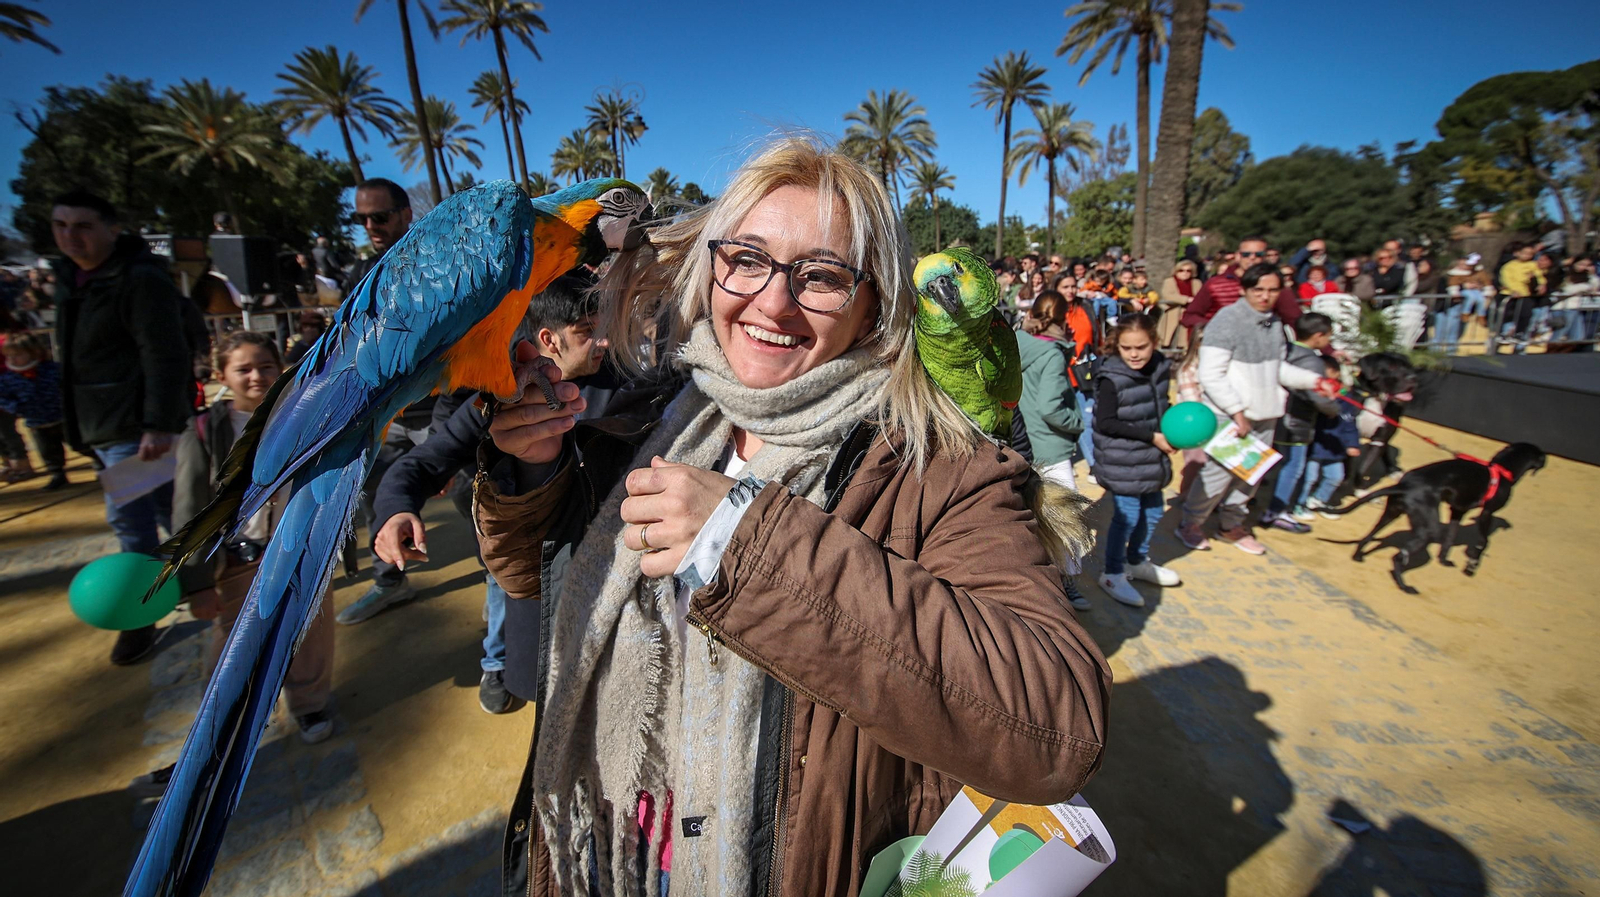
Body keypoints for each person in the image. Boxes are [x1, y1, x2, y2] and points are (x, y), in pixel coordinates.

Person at [473, 138, 1109, 896]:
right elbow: (528, 580)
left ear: (873, 303)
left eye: (823, 276)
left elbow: (1058, 724)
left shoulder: (942, 467)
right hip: (623, 856)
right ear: (711, 265)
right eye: (746, 258)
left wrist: (744, 537)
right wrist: (531, 470)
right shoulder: (650, 414)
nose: (773, 302)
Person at [371, 275, 611, 714]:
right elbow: (421, 463)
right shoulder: (501, 399)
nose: (605, 341)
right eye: (588, 330)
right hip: (540, 612)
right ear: (548, 339)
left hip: (611, 608)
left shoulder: (630, 388)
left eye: (603, 324)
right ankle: (497, 666)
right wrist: (394, 510)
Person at [52, 189, 193, 665]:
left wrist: (157, 422)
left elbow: (164, 352)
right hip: (98, 425)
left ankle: (140, 617)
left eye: (83, 225)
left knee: (133, 525)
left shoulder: (138, 280)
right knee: (172, 512)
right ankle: (211, 577)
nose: (71, 236)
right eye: (61, 225)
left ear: (112, 229)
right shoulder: (70, 280)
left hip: (134, 429)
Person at [175, 330, 337, 742]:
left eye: (266, 366)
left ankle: (310, 704)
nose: (256, 376)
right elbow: (189, 504)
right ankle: (221, 722)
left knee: (309, 633)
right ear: (221, 375)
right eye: (243, 368)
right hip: (237, 557)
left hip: (301, 548)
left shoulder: (305, 413)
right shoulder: (203, 432)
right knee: (233, 645)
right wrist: (196, 583)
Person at [1176, 264, 1333, 555]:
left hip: (1265, 414)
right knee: (1216, 476)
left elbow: (1278, 369)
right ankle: (1190, 523)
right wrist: (1237, 411)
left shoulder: (1275, 323)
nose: (1265, 296)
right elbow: (1210, 374)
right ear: (1244, 290)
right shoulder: (1226, 321)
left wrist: (1315, 381)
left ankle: (1231, 525)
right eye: (1258, 289)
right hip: (1231, 416)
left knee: (1251, 475)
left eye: (1273, 290)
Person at [338, 177, 438, 624]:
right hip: (384, 414)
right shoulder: (359, 275)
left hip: (442, 411)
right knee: (382, 495)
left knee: (480, 499)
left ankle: (504, 599)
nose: (370, 226)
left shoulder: (439, 263)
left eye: (379, 216)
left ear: (404, 215)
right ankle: (389, 582)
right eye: (361, 219)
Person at [1090, 314, 1180, 608]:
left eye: (1141, 347)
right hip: (1123, 458)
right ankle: (1113, 572)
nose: (1134, 354)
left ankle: (1137, 561)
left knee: (1153, 512)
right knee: (1126, 517)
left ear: (1155, 342)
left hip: (1151, 455)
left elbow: (1161, 404)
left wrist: (1173, 432)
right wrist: (1152, 436)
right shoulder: (1111, 378)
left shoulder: (1161, 367)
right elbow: (1105, 423)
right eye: (1127, 348)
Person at [1014, 290, 1091, 611]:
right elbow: (1051, 407)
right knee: (1066, 517)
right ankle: (1067, 580)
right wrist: (1078, 421)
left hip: (1020, 439)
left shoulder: (1016, 341)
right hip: (1050, 444)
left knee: (1031, 511)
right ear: (1063, 320)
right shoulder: (1053, 354)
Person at [1259, 313, 1338, 533]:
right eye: (1328, 336)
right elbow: (1317, 396)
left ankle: (1249, 501)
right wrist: (1334, 409)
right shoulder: (1313, 362)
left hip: (1273, 415)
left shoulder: (1285, 351)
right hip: (1297, 422)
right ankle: (1276, 511)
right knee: (1292, 468)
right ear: (1318, 336)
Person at [1180, 236, 1303, 333]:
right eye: (1246, 254)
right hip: (1222, 346)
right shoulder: (1215, 283)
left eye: (1258, 254)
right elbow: (1190, 316)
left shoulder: (1275, 285)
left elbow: (1296, 320)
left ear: (1265, 257)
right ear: (1238, 255)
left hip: (1262, 347)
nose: (1252, 258)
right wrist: (1216, 326)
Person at [0, 332, 68, 490]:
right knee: (48, 451)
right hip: (35, 421)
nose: (13, 359)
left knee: (80, 443)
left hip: (62, 417)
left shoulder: (51, 369)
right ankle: (57, 474)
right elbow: (3, 397)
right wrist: (13, 407)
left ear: (33, 353)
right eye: (9, 356)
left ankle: (100, 464)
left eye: (18, 355)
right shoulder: (8, 378)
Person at [1298, 357, 1362, 518]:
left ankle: (1319, 500)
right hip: (1314, 446)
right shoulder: (1312, 396)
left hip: (1335, 448)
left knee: (1336, 477)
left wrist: (1352, 444)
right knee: (1309, 478)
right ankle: (1299, 504)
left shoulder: (1347, 401)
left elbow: (1350, 424)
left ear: (1336, 373)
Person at [1497, 242, 1544, 353]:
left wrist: (1541, 284)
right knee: (1506, 315)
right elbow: (1506, 279)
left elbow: (1539, 275)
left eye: (1530, 254)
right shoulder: (1509, 266)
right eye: (1525, 253)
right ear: (1517, 253)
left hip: (1525, 294)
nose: (1527, 256)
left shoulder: (1532, 265)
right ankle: (1502, 334)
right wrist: (1514, 289)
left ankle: (1520, 333)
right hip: (1510, 293)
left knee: (1525, 314)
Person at [1157, 258, 1199, 349]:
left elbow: (1200, 296)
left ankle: (1183, 353)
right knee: (1165, 339)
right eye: (1181, 270)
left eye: (1188, 270)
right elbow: (1167, 295)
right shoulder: (1169, 281)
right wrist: (1186, 299)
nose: (1185, 273)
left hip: (1190, 314)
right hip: (1172, 312)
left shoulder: (1196, 283)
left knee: (1184, 341)